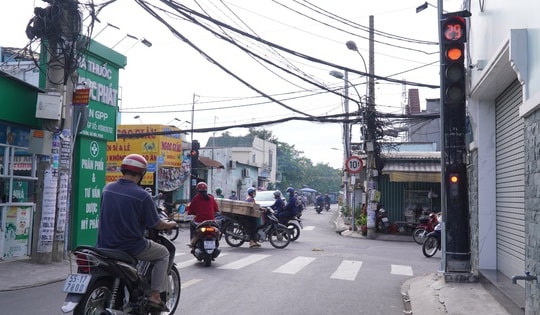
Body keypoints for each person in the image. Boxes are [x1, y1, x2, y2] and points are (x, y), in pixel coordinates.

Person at [97, 154, 177, 312]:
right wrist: (171, 223)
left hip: (103, 245)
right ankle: (155, 295)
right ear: (142, 174)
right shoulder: (142, 196)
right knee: (163, 254)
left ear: (122, 170)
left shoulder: (107, 189)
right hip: (130, 247)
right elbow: (156, 224)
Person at [187, 182, 220, 247]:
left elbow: (190, 210)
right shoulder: (211, 198)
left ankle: (192, 241)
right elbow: (216, 209)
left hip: (199, 221)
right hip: (211, 221)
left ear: (197, 190)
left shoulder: (196, 198)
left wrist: (190, 212)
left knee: (192, 224)